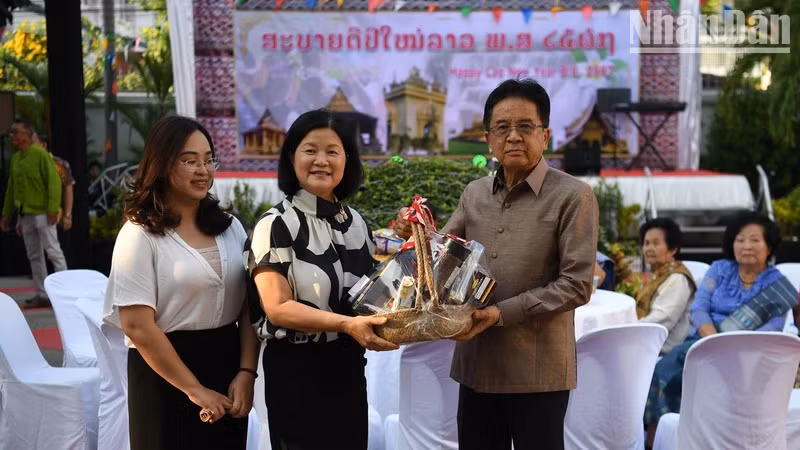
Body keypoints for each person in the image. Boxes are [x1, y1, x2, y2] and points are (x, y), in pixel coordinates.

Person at [395, 78, 598, 449]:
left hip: (538, 371)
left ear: (545, 136)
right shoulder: (474, 194)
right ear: (488, 139)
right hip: (477, 365)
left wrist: (499, 313)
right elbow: (445, 256)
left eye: (525, 126)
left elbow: (576, 285)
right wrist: (417, 232)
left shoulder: (573, 196)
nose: (514, 137)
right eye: (502, 128)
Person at [103, 115, 259, 450]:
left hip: (227, 364)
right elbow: (137, 325)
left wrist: (247, 372)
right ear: (161, 164)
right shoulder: (139, 233)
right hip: (162, 373)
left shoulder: (230, 227)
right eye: (189, 160)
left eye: (208, 159)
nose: (203, 170)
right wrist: (194, 389)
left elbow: (249, 306)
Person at [248, 109, 398, 449]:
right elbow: (278, 308)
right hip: (296, 373)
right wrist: (346, 325)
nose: (321, 160)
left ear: (347, 159)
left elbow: (368, 291)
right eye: (310, 150)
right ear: (291, 157)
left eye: (333, 151)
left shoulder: (355, 222)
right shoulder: (276, 225)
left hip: (347, 368)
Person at [643, 212, 798, 447]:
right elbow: (700, 309)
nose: (746, 245)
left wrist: (729, 349)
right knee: (662, 373)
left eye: (755, 240)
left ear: (769, 245)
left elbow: (772, 328)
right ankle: (660, 441)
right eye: (740, 239)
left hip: (751, 355)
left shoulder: (777, 286)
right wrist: (713, 342)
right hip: (703, 342)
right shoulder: (719, 270)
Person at [0, 118, 67, 308]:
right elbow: (11, 189)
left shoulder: (40, 155)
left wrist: (53, 208)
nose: (12, 135)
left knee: (53, 252)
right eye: (12, 132)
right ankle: (42, 293)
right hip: (26, 214)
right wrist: (7, 215)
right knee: (34, 255)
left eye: (16, 132)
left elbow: (54, 182)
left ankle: (65, 294)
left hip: (43, 213)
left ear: (28, 135)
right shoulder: (16, 159)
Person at [635, 218, 697, 354]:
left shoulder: (677, 279)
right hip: (646, 339)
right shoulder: (658, 274)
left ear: (673, 249)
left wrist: (626, 330)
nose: (649, 248)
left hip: (663, 348)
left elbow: (661, 321)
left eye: (656, 243)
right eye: (646, 243)